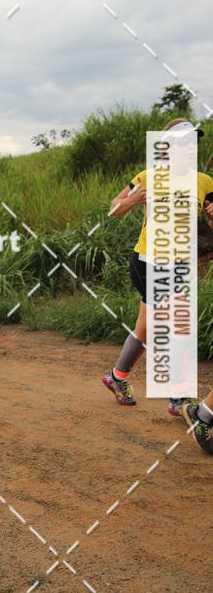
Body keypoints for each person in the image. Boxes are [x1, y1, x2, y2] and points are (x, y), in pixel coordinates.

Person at [103, 118, 213, 411]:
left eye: (193, 142)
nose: (190, 148)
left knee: (145, 329)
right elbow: (114, 207)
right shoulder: (148, 177)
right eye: (183, 143)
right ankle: (178, 396)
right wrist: (132, 200)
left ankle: (117, 376)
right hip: (147, 262)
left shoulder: (204, 182)